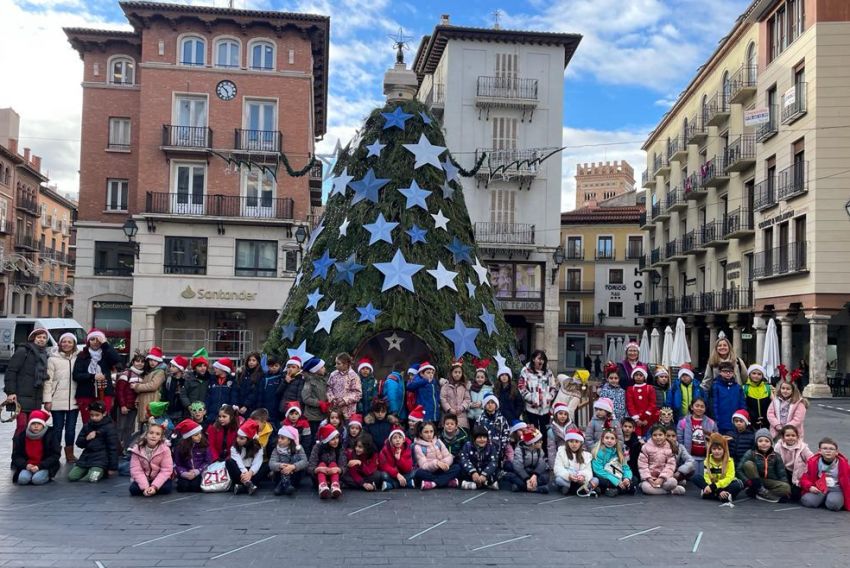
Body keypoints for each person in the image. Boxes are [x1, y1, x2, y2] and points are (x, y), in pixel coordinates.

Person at [4, 328, 51, 435]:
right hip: (21, 397)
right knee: (21, 427)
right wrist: (10, 392)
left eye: (44, 338)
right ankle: (17, 451)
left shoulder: (45, 355)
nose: (41, 340)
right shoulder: (23, 351)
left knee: (32, 428)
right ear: (32, 338)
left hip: (36, 399)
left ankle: (28, 451)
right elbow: (11, 371)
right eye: (39, 337)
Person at [43, 332, 79, 463]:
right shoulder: (52, 359)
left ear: (74, 344)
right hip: (57, 400)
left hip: (74, 400)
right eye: (64, 341)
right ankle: (55, 453)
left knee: (71, 429)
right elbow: (48, 381)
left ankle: (70, 454)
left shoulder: (78, 358)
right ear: (60, 343)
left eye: (70, 342)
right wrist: (47, 400)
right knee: (57, 428)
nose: (66, 344)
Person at [73, 329, 121, 422]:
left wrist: (105, 344)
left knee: (104, 420)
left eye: (98, 340)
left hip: (104, 392)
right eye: (92, 339)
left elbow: (117, 360)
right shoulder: (82, 356)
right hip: (86, 393)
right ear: (88, 341)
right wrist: (92, 376)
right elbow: (76, 375)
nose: (95, 342)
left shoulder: (106, 354)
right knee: (87, 421)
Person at [69, 400, 119, 483]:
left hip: (101, 460)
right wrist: (86, 439)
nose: (94, 418)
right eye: (92, 415)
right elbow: (79, 443)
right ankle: (90, 470)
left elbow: (113, 448)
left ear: (104, 414)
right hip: (86, 458)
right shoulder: (87, 426)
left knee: (91, 478)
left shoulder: (109, 428)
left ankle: (101, 471)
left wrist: (112, 468)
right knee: (72, 477)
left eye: (97, 415)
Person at [737, 428, 791, 503]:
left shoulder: (776, 456)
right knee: (748, 464)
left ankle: (761, 494)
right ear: (756, 443)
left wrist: (786, 488)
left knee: (786, 488)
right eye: (760, 441)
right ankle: (763, 492)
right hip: (756, 480)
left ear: (771, 443)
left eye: (767, 441)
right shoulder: (751, 453)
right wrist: (747, 481)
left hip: (770, 481)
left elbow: (782, 474)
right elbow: (739, 469)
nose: (763, 443)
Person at [11, 409, 60, 485]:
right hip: (28, 465)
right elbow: (16, 455)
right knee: (22, 480)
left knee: (37, 480)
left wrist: (40, 466)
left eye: (39, 424)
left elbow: (55, 455)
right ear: (29, 425)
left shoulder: (50, 435)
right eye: (33, 423)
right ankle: (30, 475)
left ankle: (46, 475)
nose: (36, 426)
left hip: (44, 465)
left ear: (43, 425)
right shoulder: (22, 436)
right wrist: (25, 465)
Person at [799, 437, 850, 511]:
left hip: (836, 489)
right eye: (825, 448)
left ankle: (830, 499)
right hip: (819, 488)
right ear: (819, 451)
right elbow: (804, 478)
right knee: (807, 501)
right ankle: (824, 498)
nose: (828, 451)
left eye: (831, 449)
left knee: (834, 505)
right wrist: (810, 487)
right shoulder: (812, 462)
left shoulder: (843, 464)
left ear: (837, 452)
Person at [518, 350, 556, 447]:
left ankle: (545, 452)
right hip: (532, 407)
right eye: (539, 358)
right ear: (534, 359)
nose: (541, 361)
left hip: (545, 408)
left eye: (543, 359)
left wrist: (549, 397)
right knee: (533, 430)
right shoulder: (525, 371)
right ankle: (534, 451)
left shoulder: (548, 372)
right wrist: (531, 398)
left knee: (545, 430)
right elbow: (521, 387)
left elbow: (553, 386)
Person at [693, 433, 744, 504]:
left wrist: (715, 486)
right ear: (711, 449)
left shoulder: (730, 461)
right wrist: (716, 489)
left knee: (739, 483)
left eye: (719, 449)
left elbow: (729, 478)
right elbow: (707, 477)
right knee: (696, 477)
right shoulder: (707, 461)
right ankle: (724, 496)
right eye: (714, 449)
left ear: (724, 450)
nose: (717, 451)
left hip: (724, 485)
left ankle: (711, 494)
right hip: (712, 485)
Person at [128, 423, 173, 497]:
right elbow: (136, 470)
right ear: (146, 435)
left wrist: (154, 487)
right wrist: (145, 487)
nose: (154, 436)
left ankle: (153, 490)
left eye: (157, 434)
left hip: (158, 477)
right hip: (144, 477)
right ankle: (147, 489)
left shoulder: (165, 450)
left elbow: (166, 470)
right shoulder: (137, 450)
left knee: (166, 488)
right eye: (151, 433)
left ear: (160, 438)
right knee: (133, 490)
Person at [412, 421, 460, 489]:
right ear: (420, 434)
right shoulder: (418, 447)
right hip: (429, 472)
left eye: (431, 431)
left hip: (442, 469)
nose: (429, 434)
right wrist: (436, 463)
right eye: (426, 432)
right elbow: (423, 465)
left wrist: (444, 463)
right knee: (419, 473)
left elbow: (448, 456)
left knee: (457, 467)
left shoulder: (438, 442)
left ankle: (433, 483)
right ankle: (447, 481)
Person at [676, 398, 716, 478]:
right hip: (689, 458)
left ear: (705, 409)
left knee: (702, 479)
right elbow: (680, 441)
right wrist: (685, 457)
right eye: (697, 406)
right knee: (692, 480)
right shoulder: (683, 422)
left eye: (702, 406)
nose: (699, 408)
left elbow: (715, 441)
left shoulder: (711, 423)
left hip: (705, 458)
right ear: (691, 407)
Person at [638, 424, 682, 496]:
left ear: (665, 436)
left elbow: (670, 465)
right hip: (650, 479)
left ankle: (659, 489)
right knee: (646, 488)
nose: (658, 437)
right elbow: (642, 465)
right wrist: (649, 479)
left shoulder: (669, 448)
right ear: (651, 436)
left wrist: (661, 478)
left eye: (660, 435)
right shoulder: (645, 447)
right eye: (655, 435)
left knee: (673, 482)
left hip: (664, 479)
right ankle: (670, 491)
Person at [504, 428, 549, 494]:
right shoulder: (519, 449)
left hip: (533, 472)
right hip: (523, 474)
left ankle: (521, 487)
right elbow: (518, 467)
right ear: (533, 443)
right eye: (540, 441)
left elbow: (542, 463)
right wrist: (527, 479)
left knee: (546, 477)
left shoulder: (540, 450)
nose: (542, 443)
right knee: (510, 475)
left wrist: (535, 475)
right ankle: (536, 489)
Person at [591, 429, 634, 497]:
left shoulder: (619, 453)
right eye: (607, 438)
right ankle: (621, 489)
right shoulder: (599, 452)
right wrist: (615, 481)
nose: (609, 440)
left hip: (617, 474)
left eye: (612, 438)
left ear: (616, 441)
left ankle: (617, 489)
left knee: (634, 478)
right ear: (602, 439)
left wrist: (626, 478)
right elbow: (598, 470)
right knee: (601, 481)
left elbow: (626, 468)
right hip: (605, 476)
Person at [774, 425, 813, 501]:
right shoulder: (778, 446)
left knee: (795, 496)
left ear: (797, 437)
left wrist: (808, 473)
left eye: (793, 435)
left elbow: (812, 459)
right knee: (785, 492)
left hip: (799, 475)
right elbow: (775, 460)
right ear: (783, 437)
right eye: (787, 435)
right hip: (785, 472)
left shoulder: (803, 447)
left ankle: (795, 490)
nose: (790, 437)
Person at [308, 423, 347, 499]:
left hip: (335, 475)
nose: (336, 441)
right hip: (319, 476)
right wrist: (317, 469)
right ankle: (322, 486)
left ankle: (335, 485)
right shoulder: (318, 447)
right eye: (333, 439)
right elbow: (310, 466)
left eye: (337, 438)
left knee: (333, 464)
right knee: (322, 464)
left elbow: (343, 465)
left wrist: (339, 469)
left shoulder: (339, 448)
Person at [226, 419, 264, 495]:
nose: (238, 440)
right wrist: (246, 475)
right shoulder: (234, 447)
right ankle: (248, 484)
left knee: (265, 465)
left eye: (241, 438)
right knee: (229, 461)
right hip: (240, 472)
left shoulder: (258, 448)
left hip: (251, 472)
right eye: (238, 437)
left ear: (249, 439)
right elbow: (238, 462)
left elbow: (257, 463)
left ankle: (241, 488)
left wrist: (250, 473)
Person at [132, 347, 167, 428]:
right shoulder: (151, 371)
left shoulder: (160, 372)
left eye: (154, 360)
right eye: (150, 360)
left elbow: (153, 386)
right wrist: (138, 399)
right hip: (146, 400)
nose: (152, 362)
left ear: (159, 361)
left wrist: (137, 386)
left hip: (152, 400)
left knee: (151, 425)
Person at [553, 429, 595, 496]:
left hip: (580, 480)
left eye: (576, 442)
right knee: (558, 479)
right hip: (569, 478)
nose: (574, 444)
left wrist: (583, 476)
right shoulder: (561, 452)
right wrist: (568, 476)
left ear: (580, 443)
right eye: (571, 441)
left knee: (595, 480)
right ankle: (580, 489)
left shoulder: (586, 455)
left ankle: (570, 489)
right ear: (567, 442)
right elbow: (558, 468)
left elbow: (588, 470)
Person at [115, 351, 144, 449]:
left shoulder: (142, 376)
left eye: (142, 362)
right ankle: (116, 449)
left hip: (134, 407)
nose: (140, 363)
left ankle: (125, 448)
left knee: (129, 429)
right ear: (133, 362)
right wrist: (122, 405)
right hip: (125, 406)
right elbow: (120, 391)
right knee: (120, 428)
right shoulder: (126, 373)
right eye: (137, 361)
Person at [172, 419, 209, 493]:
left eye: (200, 433)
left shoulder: (204, 445)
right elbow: (177, 463)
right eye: (196, 435)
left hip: (199, 472)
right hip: (186, 471)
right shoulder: (179, 448)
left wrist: (198, 471)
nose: (199, 436)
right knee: (183, 487)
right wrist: (183, 473)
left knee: (195, 487)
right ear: (188, 437)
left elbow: (208, 461)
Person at [270, 425, 307, 496]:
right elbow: (271, 463)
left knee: (296, 457)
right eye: (279, 437)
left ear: (289, 440)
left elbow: (305, 461)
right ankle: (286, 484)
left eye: (282, 438)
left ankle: (281, 485)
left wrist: (293, 466)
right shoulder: (276, 449)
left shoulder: (298, 448)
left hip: (295, 475)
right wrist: (280, 465)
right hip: (280, 474)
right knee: (283, 466)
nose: (279, 440)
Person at [459, 425, 500, 490]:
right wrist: (473, 472)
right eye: (479, 437)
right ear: (474, 438)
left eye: (484, 437)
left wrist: (485, 474)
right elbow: (464, 460)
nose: (482, 439)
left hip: (485, 472)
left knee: (496, 471)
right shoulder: (467, 446)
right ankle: (481, 484)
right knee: (460, 469)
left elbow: (493, 462)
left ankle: (484, 482)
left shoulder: (491, 447)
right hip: (472, 472)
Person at [712, 361, 746, 434]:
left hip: (736, 424)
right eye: (725, 371)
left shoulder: (738, 387)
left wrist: (741, 419)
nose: (728, 373)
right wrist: (716, 420)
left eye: (730, 372)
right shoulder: (715, 386)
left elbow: (742, 405)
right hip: (721, 424)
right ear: (720, 372)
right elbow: (714, 405)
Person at [327, 352, 362, 420]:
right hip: (334, 412)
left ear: (346, 364)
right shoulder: (333, 374)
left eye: (338, 363)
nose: (336, 365)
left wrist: (344, 400)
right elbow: (329, 388)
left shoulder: (354, 376)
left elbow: (358, 393)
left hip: (348, 413)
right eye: (336, 363)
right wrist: (332, 399)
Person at [476, 393, 510, 463]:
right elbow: (476, 434)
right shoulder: (480, 419)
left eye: (492, 403)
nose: (490, 405)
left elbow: (506, 435)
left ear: (496, 405)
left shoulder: (501, 419)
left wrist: (502, 447)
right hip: (483, 450)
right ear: (484, 405)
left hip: (498, 450)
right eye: (488, 403)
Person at [379, 426, 415, 491]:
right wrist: (397, 474)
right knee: (383, 475)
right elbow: (384, 466)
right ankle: (406, 483)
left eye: (400, 437)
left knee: (413, 472)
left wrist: (399, 459)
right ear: (390, 440)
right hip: (392, 475)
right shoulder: (385, 450)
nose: (397, 440)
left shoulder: (407, 448)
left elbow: (408, 468)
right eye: (395, 438)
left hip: (404, 473)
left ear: (403, 440)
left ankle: (391, 485)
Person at [625, 366, 656, 437]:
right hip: (636, 419)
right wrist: (636, 419)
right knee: (636, 436)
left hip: (648, 419)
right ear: (633, 376)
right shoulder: (630, 389)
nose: (638, 377)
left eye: (641, 375)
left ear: (644, 377)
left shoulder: (650, 388)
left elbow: (652, 404)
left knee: (648, 436)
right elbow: (630, 404)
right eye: (636, 375)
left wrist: (647, 418)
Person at [440, 360, 470, 429]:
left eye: (459, 372)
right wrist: (449, 409)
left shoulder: (464, 386)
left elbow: (467, 399)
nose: (457, 374)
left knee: (461, 432)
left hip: (461, 415)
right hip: (449, 414)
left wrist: (462, 407)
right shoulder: (446, 386)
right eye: (455, 372)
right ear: (451, 373)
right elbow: (443, 398)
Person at [547, 401, 576, 470]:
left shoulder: (572, 426)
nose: (563, 416)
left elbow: (580, 441)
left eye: (565, 414)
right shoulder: (551, 431)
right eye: (560, 413)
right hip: (560, 457)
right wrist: (553, 466)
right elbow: (551, 450)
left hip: (574, 454)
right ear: (556, 415)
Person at [743, 364, 772, 431]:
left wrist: (766, 417)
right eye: (754, 373)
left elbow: (774, 404)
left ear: (762, 376)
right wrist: (752, 417)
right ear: (749, 374)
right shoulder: (745, 388)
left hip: (766, 421)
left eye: (759, 374)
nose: (756, 376)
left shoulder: (767, 388)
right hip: (751, 421)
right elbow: (743, 406)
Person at [259, 355, 285, 426]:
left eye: (276, 366)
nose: (274, 368)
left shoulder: (283, 377)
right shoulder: (264, 377)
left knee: (278, 424)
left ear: (280, 366)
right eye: (271, 366)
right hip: (267, 405)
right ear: (268, 366)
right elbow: (261, 392)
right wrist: (260, 405)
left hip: (279, 406)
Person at [236, 352, 263, 417]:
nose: (251, 362)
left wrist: (246, 406)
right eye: (249, 360)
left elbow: (255, 392)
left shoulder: (260, 375)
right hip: (240, 407)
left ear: (258, 362)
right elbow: (238, 388)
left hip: (252, 407)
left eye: (254, 360)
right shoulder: (243, 373)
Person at [621, 417, 642, 485]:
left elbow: (636, 460)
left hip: (631, 468)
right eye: (625, 426)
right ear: (622, 427)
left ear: (633, 429)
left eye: (630, 427)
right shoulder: (617, 440)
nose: (627, 428)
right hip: (620, 466)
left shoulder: (636, 443)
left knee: (634, 480)